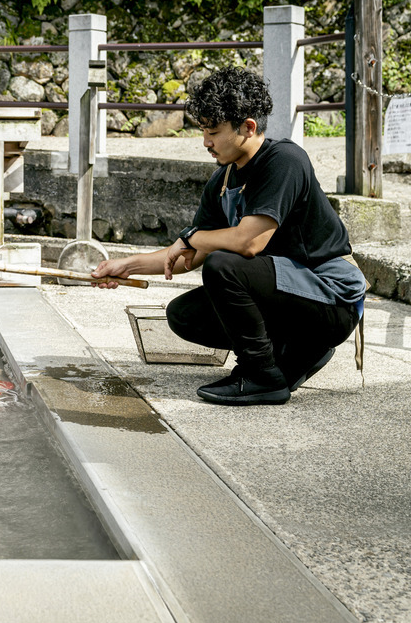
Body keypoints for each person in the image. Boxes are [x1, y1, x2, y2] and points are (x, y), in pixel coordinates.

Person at [90, 66, 365, 406]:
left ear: (248, 127)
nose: (206, 142)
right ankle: (291, 354)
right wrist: (125, 266)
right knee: (184, 314)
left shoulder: (284, 160)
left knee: (223, 265)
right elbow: (184, 255)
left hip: (332, 299)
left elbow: (248, 243)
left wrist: (194, 239)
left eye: (214, 131)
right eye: (203, 130)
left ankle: (261, 376)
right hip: (287, 291)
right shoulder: (221, 182)